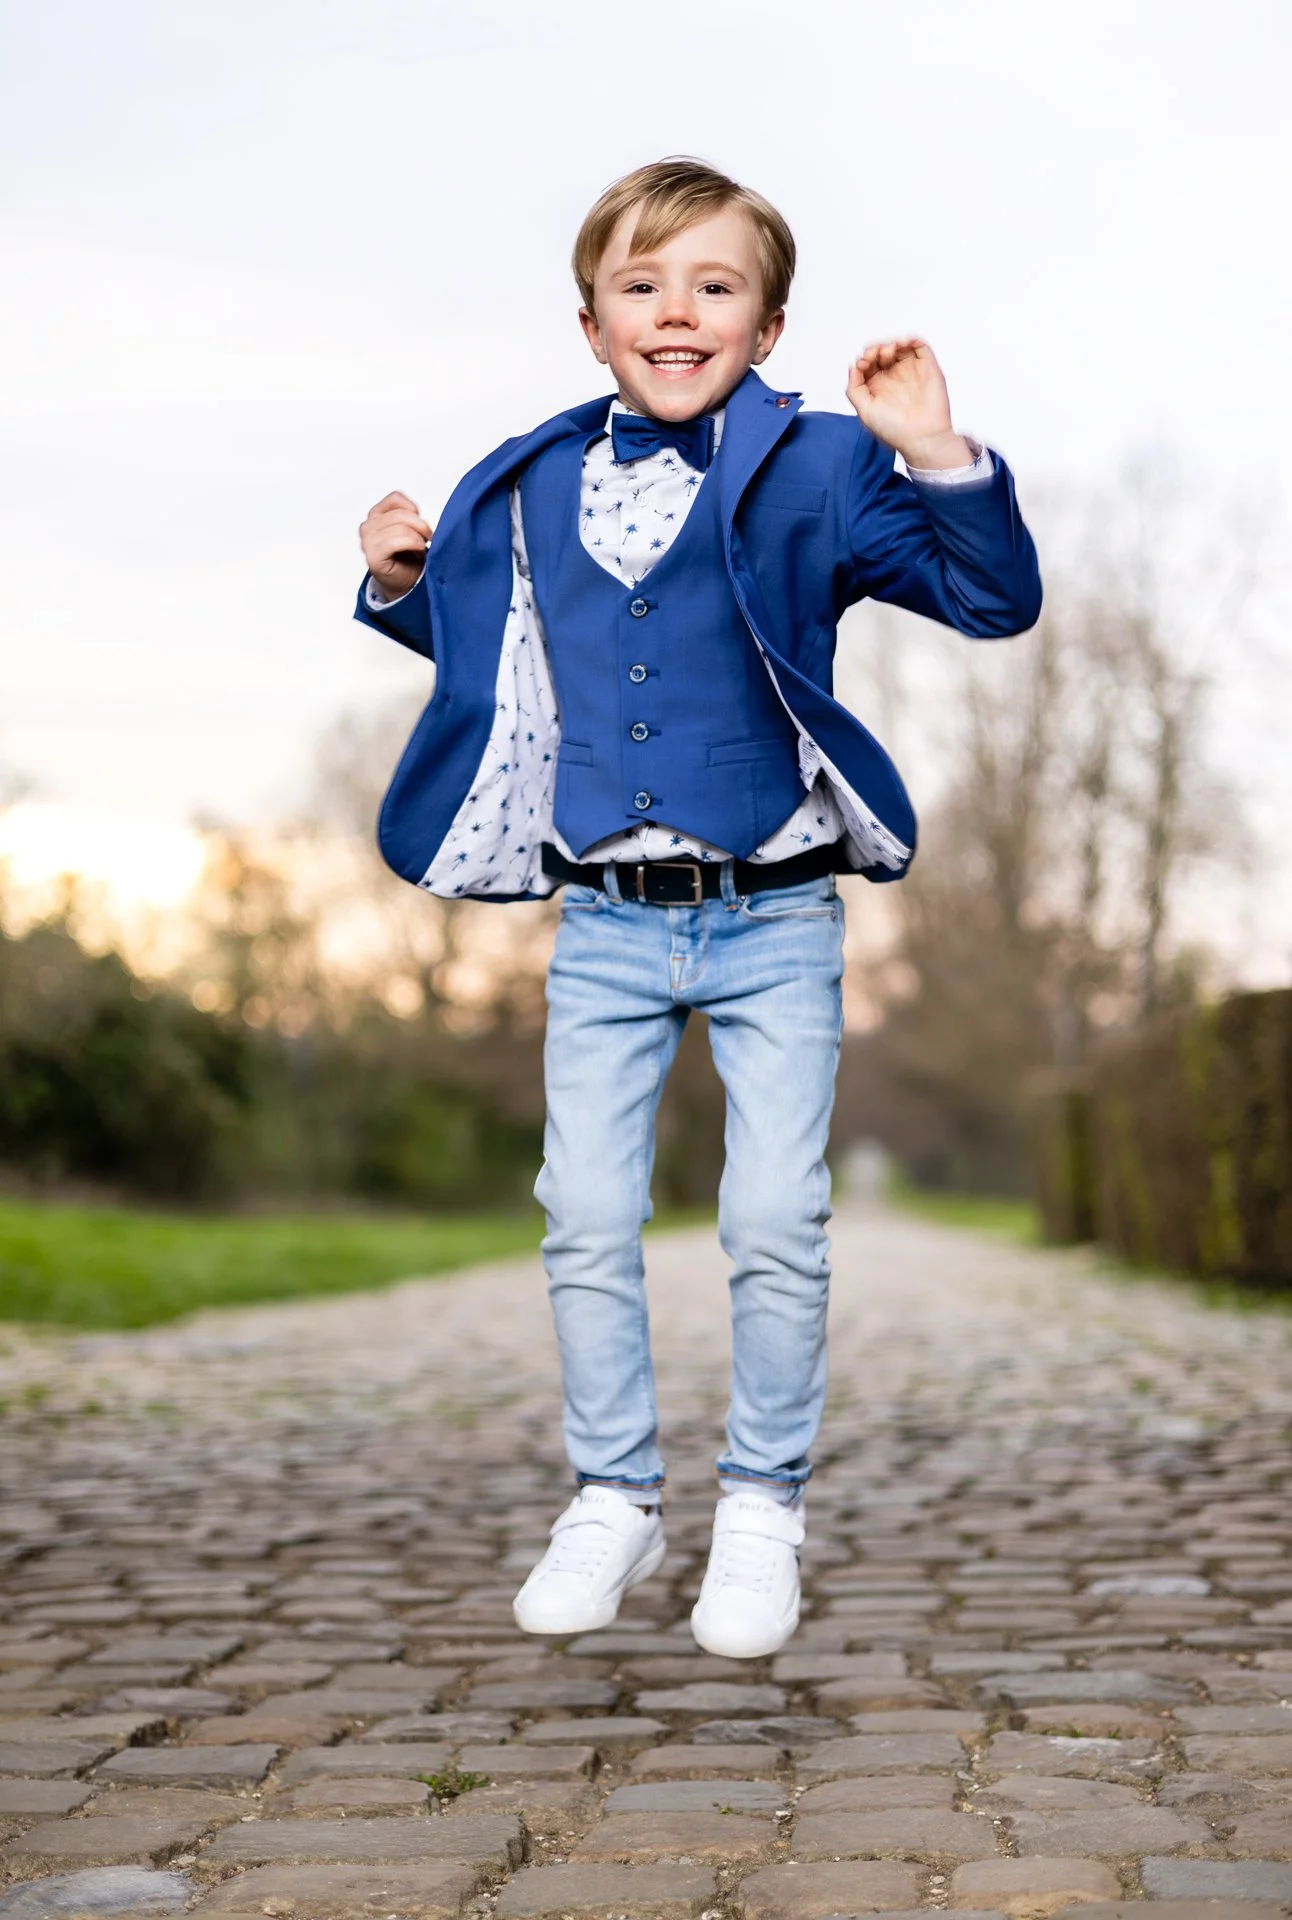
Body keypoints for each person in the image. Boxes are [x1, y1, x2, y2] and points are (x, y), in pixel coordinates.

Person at [355, 157, 1041, 1658]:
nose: (678, 311)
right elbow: (509, 657)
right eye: (643, 285)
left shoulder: (820, 463)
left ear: (769, 323)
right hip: (601, 918)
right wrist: (406, 579)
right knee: (584, 1213)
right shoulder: (531, 477)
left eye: (714, 286)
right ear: (593, 320)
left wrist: (933, 453)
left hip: (776, 911)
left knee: (775, 1219)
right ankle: (615, 1495)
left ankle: (760, 1509)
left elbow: (991, 603)